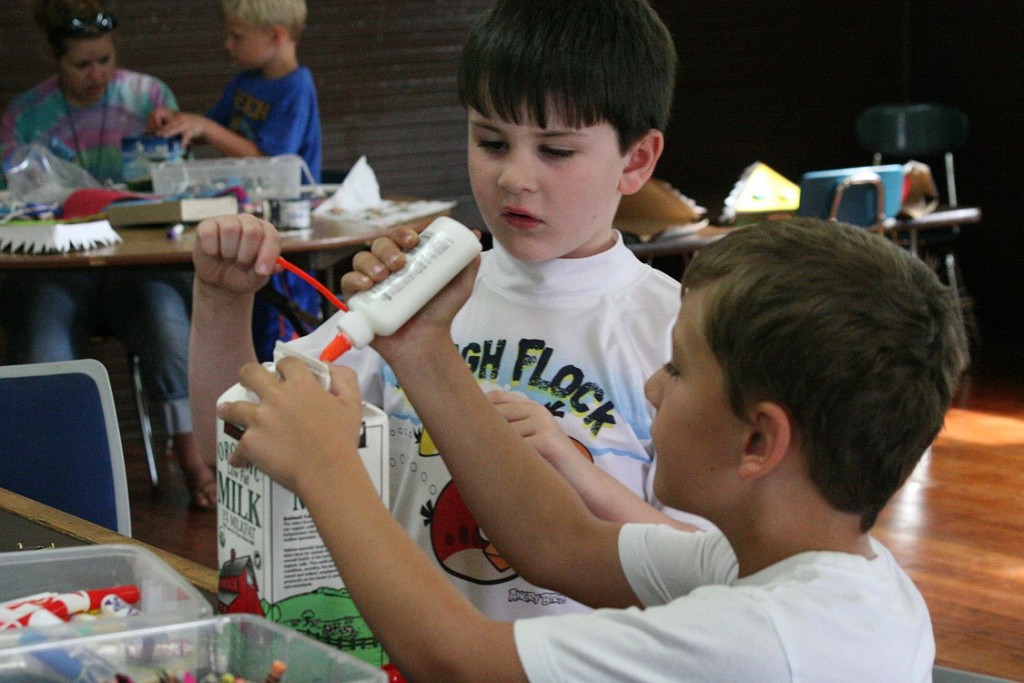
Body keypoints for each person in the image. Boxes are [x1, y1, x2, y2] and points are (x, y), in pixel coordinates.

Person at [215, 216, 968, 681]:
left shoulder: (767, 640)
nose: (652, 384)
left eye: (678, 368)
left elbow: (456, 660)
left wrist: (327, 468)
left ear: (759, 439)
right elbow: (560, 541)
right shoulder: (789, 568)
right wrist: (423, 349)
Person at [190, 0, 702, 622]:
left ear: (637, 160)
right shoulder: (417, 292)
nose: (515, 176)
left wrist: (573, 467)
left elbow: (710, 570)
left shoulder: (677, 330)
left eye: (557, 151)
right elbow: (238, 438)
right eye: (491, 141)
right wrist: (222, 300)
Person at [0, 0, 215, 512]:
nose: (97, 74)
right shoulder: (26, 116)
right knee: (41, 353)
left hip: (136, 269)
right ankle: (49, 490)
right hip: (58, 271)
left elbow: (175, 186)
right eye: (82, 65)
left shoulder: (149, 96)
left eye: (105, 60)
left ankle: (193, 456)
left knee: (169, 327)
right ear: (57, 61)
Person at [148, 0, 322, 363]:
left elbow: (268, 162)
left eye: (236, 36)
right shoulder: (245, 82)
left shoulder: (296, 87)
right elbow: (209, 128)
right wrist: (180, 122)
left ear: (276, 35)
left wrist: (208, 128)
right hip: (250, 219)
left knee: (277, 341)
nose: (228, 45)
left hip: (286, 230)